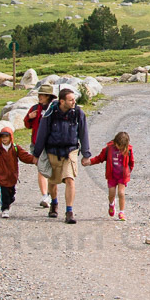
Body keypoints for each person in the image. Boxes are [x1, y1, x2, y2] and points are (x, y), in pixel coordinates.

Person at [32, 86, 90, 223]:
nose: (73, 102)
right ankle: (54, 203)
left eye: (74, 100)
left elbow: (83, 133)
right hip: (53, 151)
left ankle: (69, 211)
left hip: (70, 151)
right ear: (62, 101)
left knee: (70, 179)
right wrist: (36, 153)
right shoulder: (50, 113)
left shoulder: (78, 113)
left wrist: (86, 154)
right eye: (70, 100)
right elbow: (42, 133)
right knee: (53, 181)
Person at [85, 131, 136, 221]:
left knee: (121, 193)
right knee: (111, 194)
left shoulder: (128, 150)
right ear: (115, 142)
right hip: (112, 175)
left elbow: (131, 162)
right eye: (118, 146)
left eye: (122, 147)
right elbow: (100, 158)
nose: (119, 148)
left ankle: (122, 212)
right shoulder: (109, 149)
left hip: (122, 176)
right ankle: (111, 204)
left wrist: (128, 172)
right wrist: (90, 162)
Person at [0, 127, 35, 218]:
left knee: (11, 192)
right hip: (1, 174)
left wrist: (35, 160)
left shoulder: (16, 148)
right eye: (2, 137)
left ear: (10, 137)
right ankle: (5, 209)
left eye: (6, 137)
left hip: (12, 175)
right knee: (4, 192)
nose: (4, 139)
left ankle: (9, 200)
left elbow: (24, 156)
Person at [24, 86, 56, 208]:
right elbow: (27, 125)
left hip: (52, 144)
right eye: (39, 95)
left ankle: (50, 195)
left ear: (48, 96)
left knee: (52, 171)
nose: (39, 97)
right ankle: (45, 195)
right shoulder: (34, 108)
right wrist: (29, 118)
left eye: (42, 95)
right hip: (37, 144)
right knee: (42, 169)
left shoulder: (54, 109)